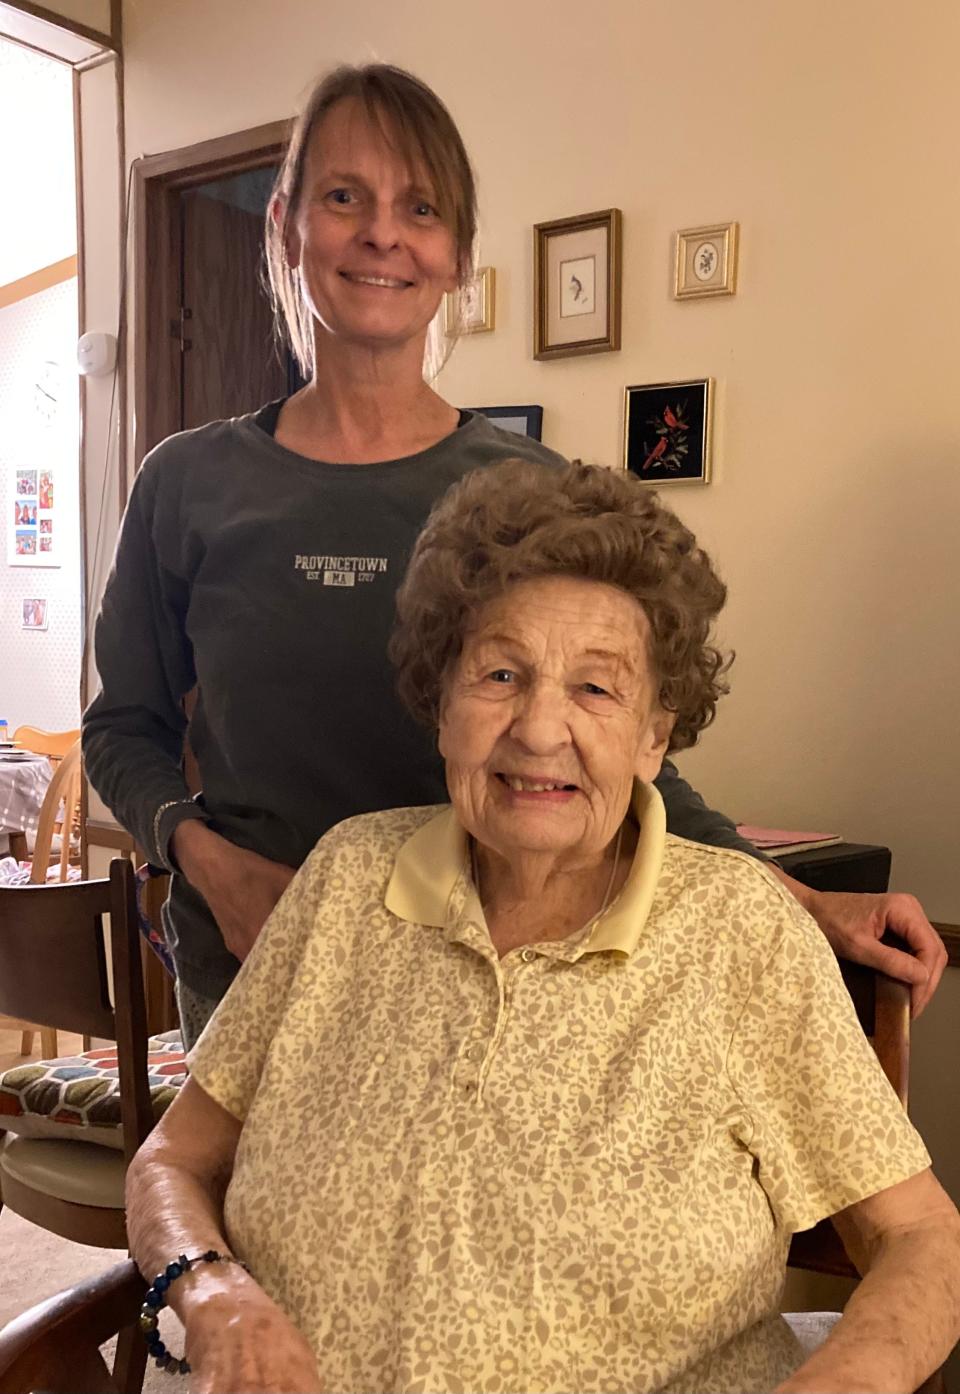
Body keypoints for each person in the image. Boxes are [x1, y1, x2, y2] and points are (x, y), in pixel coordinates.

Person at [83, 63, 944, 1050]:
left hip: (484, 981)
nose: (381, 233)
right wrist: (205, 862)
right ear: (285, 224)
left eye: (421, 207)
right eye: (343, 196)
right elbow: (123, 730)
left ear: (456, 255)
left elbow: (619, 750)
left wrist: (800, 897)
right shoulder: (185, 481)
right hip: (255, 969)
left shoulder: (524, 490)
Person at [127, 460, 960, 1394]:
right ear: (440, 706)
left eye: (598, 690)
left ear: (655, 738)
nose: (538, 729)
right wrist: (208, 1290)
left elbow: (925, 1239)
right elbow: (172, 1160)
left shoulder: (740, 933)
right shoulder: (345, 877)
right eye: (500, 673)